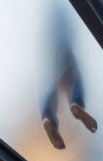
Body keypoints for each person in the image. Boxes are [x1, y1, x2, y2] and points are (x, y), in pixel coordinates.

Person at [40, 4, 97, 150]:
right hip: (63, 45)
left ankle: (48, 117)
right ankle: (75, 102)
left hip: (50, 50)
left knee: (51, 83)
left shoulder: (46, 14)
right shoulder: (60, 8)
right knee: (73, 73)